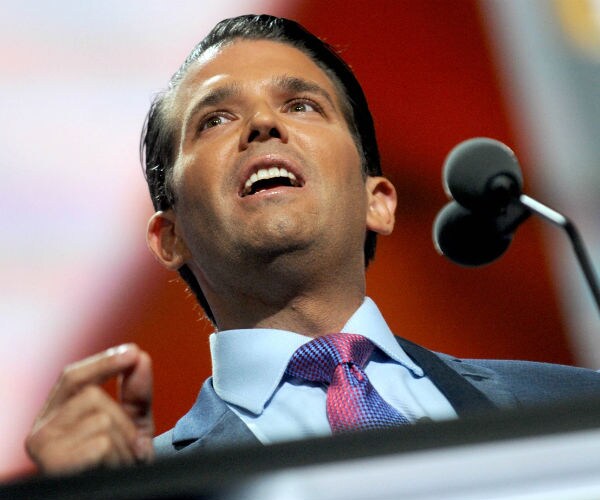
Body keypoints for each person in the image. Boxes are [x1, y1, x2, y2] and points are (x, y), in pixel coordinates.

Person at [25, 14, 600, 475]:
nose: (262, 125)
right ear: (169, 237)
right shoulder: (141, 482)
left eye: (302, 105)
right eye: (215, 120)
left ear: (379, 201)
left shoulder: (575, 408)